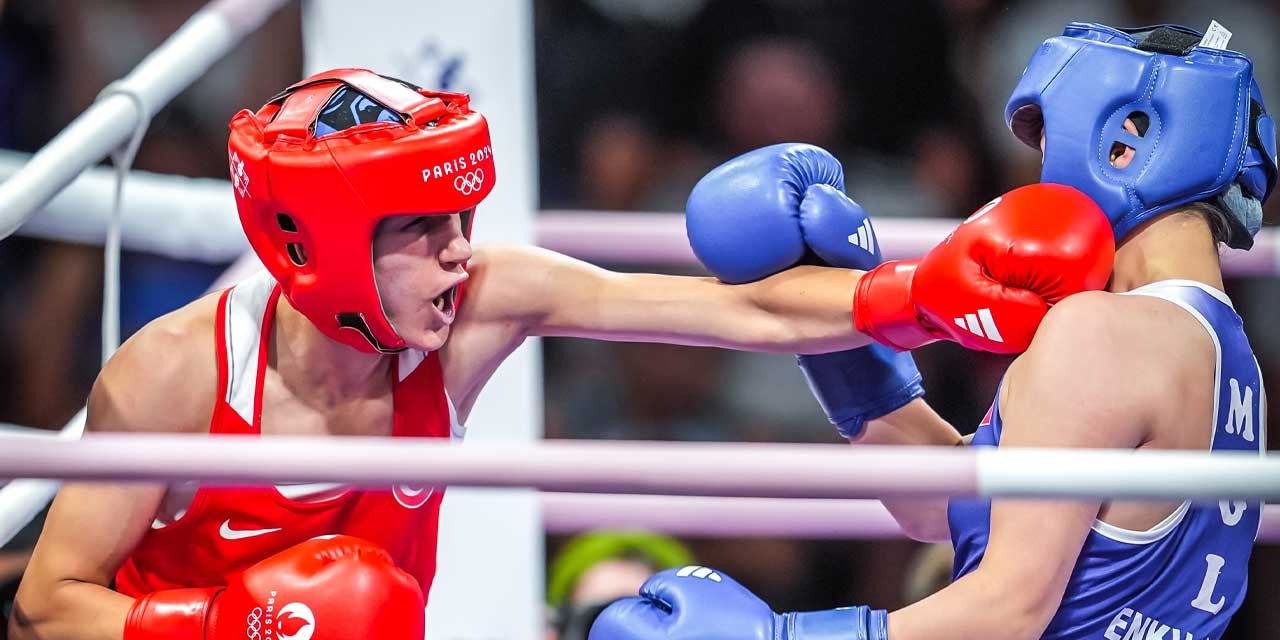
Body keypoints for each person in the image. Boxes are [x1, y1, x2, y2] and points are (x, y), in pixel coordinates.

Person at [7, 69, 1114, 640]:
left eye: (460, 221)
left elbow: (737, 316)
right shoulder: (172, 373)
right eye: (421, 233)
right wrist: (224, 629)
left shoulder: (483, 300)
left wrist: (919, 293)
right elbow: (47, 604)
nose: (458, 256)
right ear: (321, 247)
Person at [590, 22, 1274, 640]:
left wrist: (780, 638)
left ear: (1125, 143)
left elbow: (1008, 609)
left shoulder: (1102, 332)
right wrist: (846, 357)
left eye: (1047, 146)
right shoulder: (1233, 362)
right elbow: (951, 511)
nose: (1038, 175)